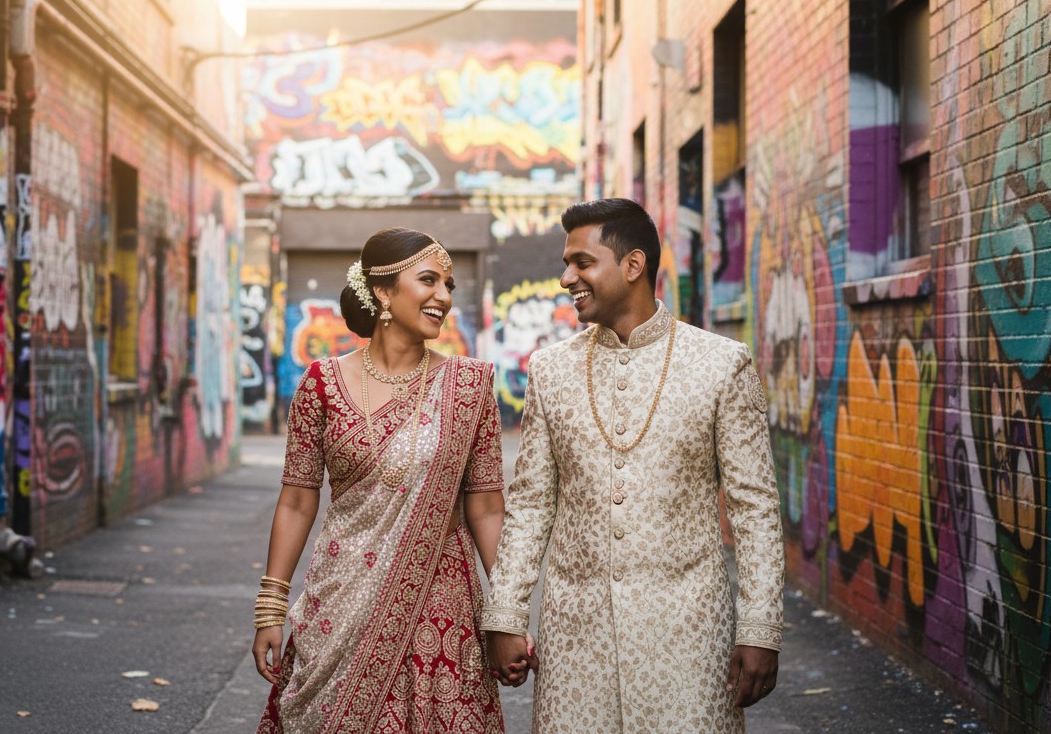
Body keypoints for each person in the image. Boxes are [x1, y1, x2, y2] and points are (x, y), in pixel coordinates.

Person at [482, 198, 784, 733]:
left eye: (582, 262)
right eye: (566, 264)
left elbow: (754, 508)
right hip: (577, 643)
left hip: (689, 640)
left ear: (633, 265)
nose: (566, 278)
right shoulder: (551, 370)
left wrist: (760, 629)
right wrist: (505, 615)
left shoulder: (721, 364)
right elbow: (530, 505)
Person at [254, 228, 508, 733]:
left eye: (449, 285)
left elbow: (486, 508)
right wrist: (271, 608)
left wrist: (507, 616)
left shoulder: (469, 386)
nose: (443, 296)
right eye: (429, 280)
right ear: (384, 292)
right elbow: (298, 501)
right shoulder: (321, 383)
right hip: (341, 601)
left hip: (441, 604)